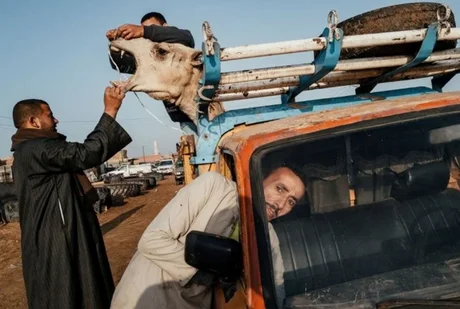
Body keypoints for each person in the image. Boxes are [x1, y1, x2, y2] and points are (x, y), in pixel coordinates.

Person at [110, 166, 306, 309]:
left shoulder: (268, 236)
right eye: (280, 189)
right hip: (147, 299)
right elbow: (151, 241)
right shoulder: (214, 187)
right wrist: (212, 274)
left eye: (291, 202)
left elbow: (276, 281)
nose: (281, 204)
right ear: (259, 178)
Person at [10, 86, 132, 309]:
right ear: (33, 121)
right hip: (58, 239)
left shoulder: (27, 151)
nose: (56, 119)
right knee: (68, 293)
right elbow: (85, 153)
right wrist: (110, 110)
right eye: (49, 115)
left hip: (57, 233)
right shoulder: (37, 148)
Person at [106, 12, 194, 123]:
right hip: (184, 120)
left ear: (165, 27)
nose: (148, 36)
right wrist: (116, 44)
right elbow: (120, 65)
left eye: (152, 27)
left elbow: (187, 37)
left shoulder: (178, 45)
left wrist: (144, 31)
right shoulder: (152, 59)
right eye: (145, 29)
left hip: (204, 113)